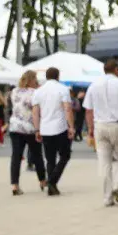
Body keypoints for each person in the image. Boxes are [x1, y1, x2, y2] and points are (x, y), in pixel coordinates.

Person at [83, 59, 118, 207]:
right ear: (117, 69)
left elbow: (88, 110)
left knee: (104, 163)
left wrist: (90, 129)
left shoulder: (93, 85)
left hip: (99, 125)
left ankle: (107, 198)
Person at [32, 67, 74, 196]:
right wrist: (71, 126)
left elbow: (35, 112)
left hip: (45, 128)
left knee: (50, 159)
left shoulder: (38, 91)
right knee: (65, 155)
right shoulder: (63, 89)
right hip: (60, 127)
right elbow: (67, 108)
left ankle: (52, 186)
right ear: (58, 76)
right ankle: (52, 181)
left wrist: (37, 129)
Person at [8, 71, 46, 196]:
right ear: (31, 80)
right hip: (30, 128)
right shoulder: (35, 93)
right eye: (35, 79)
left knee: (16, 156)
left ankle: (15, 185)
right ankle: (42, 180)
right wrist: (38, 129)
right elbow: (37, 111)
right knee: (37, 155)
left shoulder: (14, 91)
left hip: (14, 126)